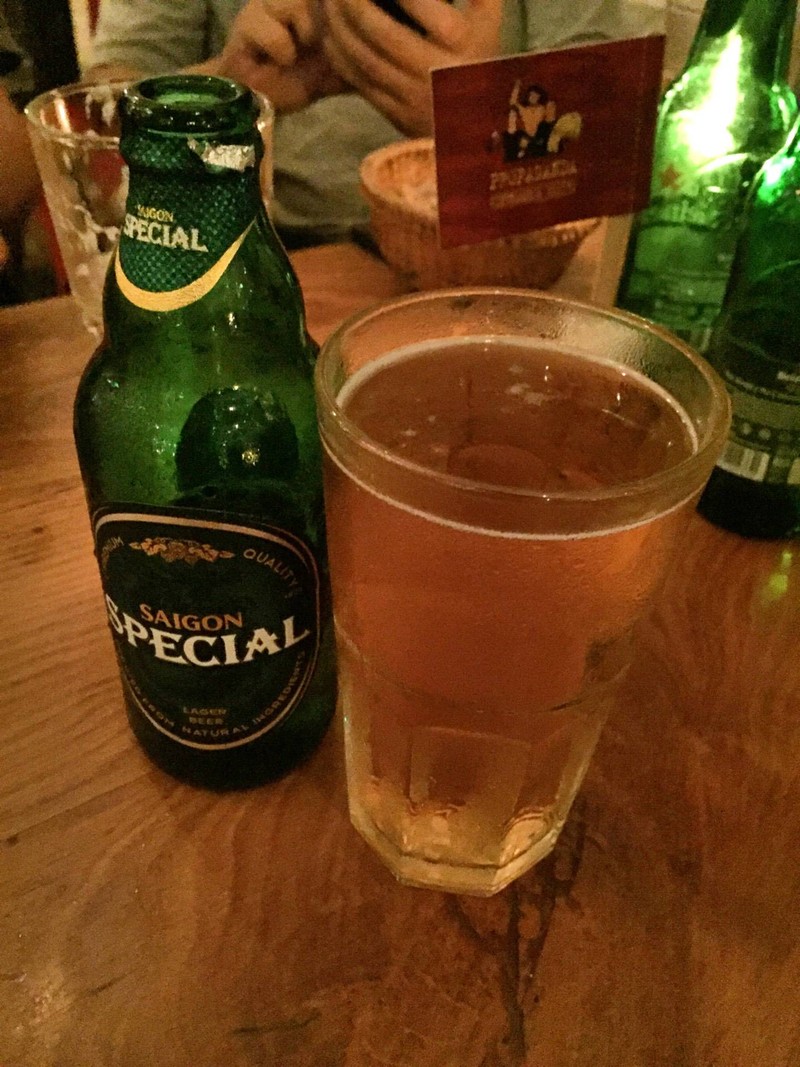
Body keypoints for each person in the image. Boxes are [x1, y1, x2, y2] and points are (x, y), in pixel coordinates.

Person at [87, 0, 666, 246]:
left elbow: (619, 143)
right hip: (253, 246)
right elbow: (94, 134)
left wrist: (483, 121)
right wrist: (228, 92)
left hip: (498, 253)